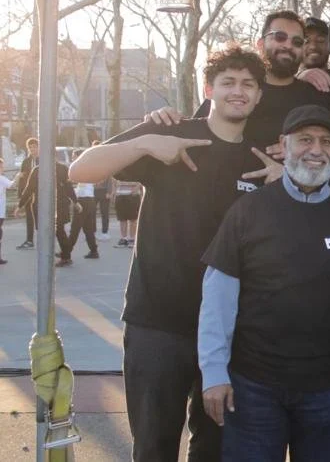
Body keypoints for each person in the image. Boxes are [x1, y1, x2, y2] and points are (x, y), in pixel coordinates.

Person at [68, 45, 278, 462]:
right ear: (208, 89)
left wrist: (286, 184)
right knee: (153, 447)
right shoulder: (169, 134)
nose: (238, 91)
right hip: (157, 323)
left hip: (232, 330)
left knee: (216, 448)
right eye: (228, 82)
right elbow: (80, 170)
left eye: (248, 84)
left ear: (258, 96)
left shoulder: (263, 156)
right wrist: (146, 142)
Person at [199, 105, 330, 462]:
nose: (316, 150)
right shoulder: (247, 211)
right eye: (305, 140)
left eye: (326, 142)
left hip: (327, 390)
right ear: (283, 145)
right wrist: (213, 372)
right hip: (252, 387)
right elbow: (218, 300)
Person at [152, 11, 330, 159]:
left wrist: (296, 161)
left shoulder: (314, 97)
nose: (288, 45)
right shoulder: (233, 93)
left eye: (297, 42)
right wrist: (164, 118)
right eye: (279, 37)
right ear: (260, 44)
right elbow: (197, 138)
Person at [16, 160, 77, 267]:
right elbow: (29, 189)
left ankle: (64, 256)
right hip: (48, 205)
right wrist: (20, 205)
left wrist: (75, 201)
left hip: (51, 206)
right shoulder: (40, 170)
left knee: (54, 231)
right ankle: (62, 255)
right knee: (57, 231)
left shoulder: (48, 169)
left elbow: (68, 187)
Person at [69, 149, 100, 260]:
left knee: (75, 228)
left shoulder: (81, 169)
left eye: (74, 156)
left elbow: (80, 187)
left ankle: (66, 251)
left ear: (79, 157)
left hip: (83, 201)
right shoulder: (88, 168)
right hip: (90, 201)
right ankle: (94, 251)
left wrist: (70, 192)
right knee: (88, 229)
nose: (72, 158)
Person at [15, 137, 39, 249]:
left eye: (34, 147)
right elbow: (22, 178)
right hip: (28, 193)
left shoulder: (43, 160)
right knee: (29, 217)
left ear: (38, 147)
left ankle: (44, 239)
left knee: (40, 217)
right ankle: (29, 240)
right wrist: (20, 195)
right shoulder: (26, 162)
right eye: (30, 147)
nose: (32, 149)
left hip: (40, 193)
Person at [112, 179, 142, 249]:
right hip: (120, 195)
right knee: (122, 219)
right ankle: (123, 239)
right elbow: (113, 179)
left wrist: (137, 187)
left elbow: (142, 178)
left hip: (133, 195)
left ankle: (132, 239)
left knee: (133, 219)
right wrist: (114, 192)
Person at [0, 158, 12, 264]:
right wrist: (18, 176)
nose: (3, 168)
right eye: (1, 166)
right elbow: (11, 185)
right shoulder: (1, 178)